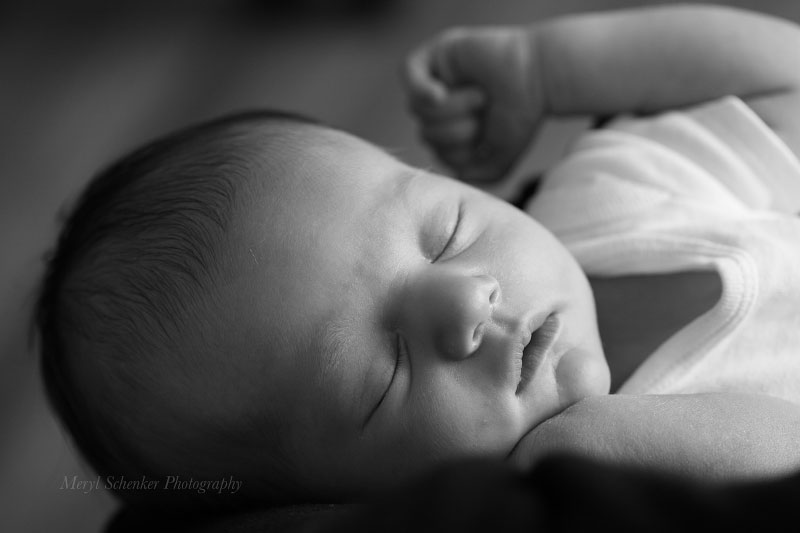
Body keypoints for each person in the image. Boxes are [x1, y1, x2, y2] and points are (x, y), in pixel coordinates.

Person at [35, 4, 800, 509]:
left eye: (447, 231)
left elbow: (785, 81)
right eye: (387, 373)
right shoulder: (596, 493)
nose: (465, 301)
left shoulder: (615, 191)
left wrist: (550, 70)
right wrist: (593, 446)